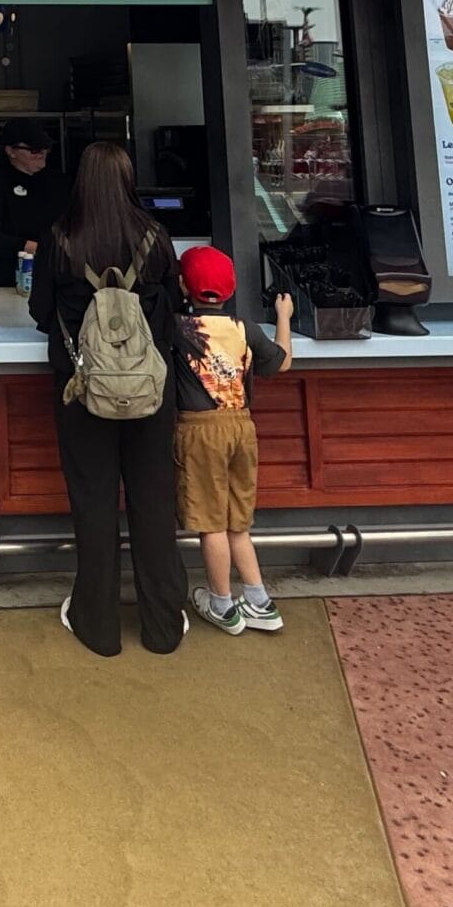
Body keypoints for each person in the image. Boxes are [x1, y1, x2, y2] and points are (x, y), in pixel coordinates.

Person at [29, 139, 188, 656]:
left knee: (94, 502)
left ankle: (96, 624)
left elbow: (40, 311)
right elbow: (174, 309)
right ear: (127, 178)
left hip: (82, 388)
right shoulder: (156, 236)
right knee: (153, 500)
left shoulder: (60, 238)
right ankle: (163, 625)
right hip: (149, 388)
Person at [172, 244, 294, 634]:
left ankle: (223, 605)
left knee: (212, 524)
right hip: (242, 427)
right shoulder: (245, 328)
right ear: (230, 290)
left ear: (182, 285)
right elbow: (281, 362)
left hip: (200, 429)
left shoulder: (179, 328)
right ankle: (259, 600)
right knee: (238, 523)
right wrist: (284, 317)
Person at [0, 118, 69, 289]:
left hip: (52, 270)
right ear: (11, 150)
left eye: (45, 149)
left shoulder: (57, 182)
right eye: (34, 149)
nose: (41, 154)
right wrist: (26, 245)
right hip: (8, 275)